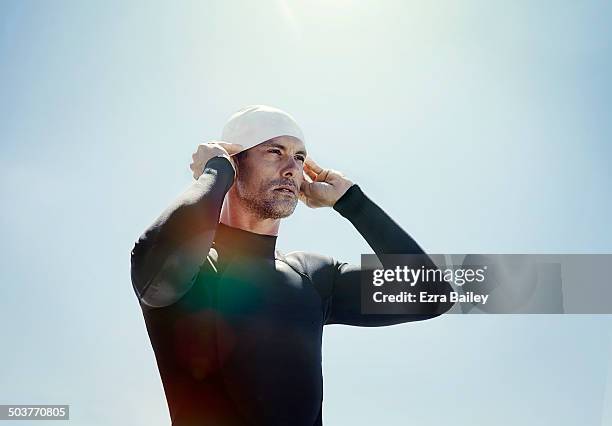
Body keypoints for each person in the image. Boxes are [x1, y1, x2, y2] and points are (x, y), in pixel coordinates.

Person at [130, 105, 455, 426]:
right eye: (275, 151)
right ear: (236, 163)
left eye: (299, 157)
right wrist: (215, 172)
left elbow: (431, 295)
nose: (291, 168)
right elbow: (157, 272)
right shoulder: (195, 265)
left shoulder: (313, 276)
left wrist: (352, 202)